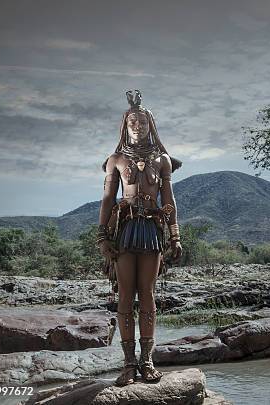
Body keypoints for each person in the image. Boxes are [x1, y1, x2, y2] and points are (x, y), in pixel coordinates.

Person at [96, 90, 182, 386]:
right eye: (133, 121)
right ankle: (128, 365)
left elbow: (170, 199)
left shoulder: (163, 160)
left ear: (151, 125)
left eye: (142, 121)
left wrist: (175, 235)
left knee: (147, 293)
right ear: (125, 125)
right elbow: (107, 200)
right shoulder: (115, 159)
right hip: (123, 230)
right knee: (124, 296)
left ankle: (147, 362)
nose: (137, 125)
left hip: (151, 230)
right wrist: (102, 237)